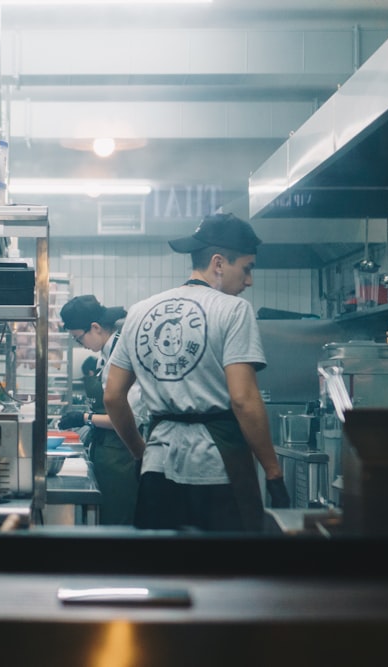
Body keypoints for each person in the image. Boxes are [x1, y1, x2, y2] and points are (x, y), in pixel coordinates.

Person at [103, 212, 290, 533]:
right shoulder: (233, 310)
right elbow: (243, 399)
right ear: (219, 263)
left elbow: (112, 395)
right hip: (218, 469)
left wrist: (139, 453)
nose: (249, 281)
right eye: (246, 268)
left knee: (162, 574)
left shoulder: (139, 311)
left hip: (157, 467)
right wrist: (273, 471)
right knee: (226, 577)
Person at [58, 295, 145, 526]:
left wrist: (86, 418)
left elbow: (131, 418)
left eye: (78, 338)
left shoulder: (121, 353)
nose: (81, 344)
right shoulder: (107, 353)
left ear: (95, 328)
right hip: (110, 452)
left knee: (120, 521)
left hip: (124, 454)